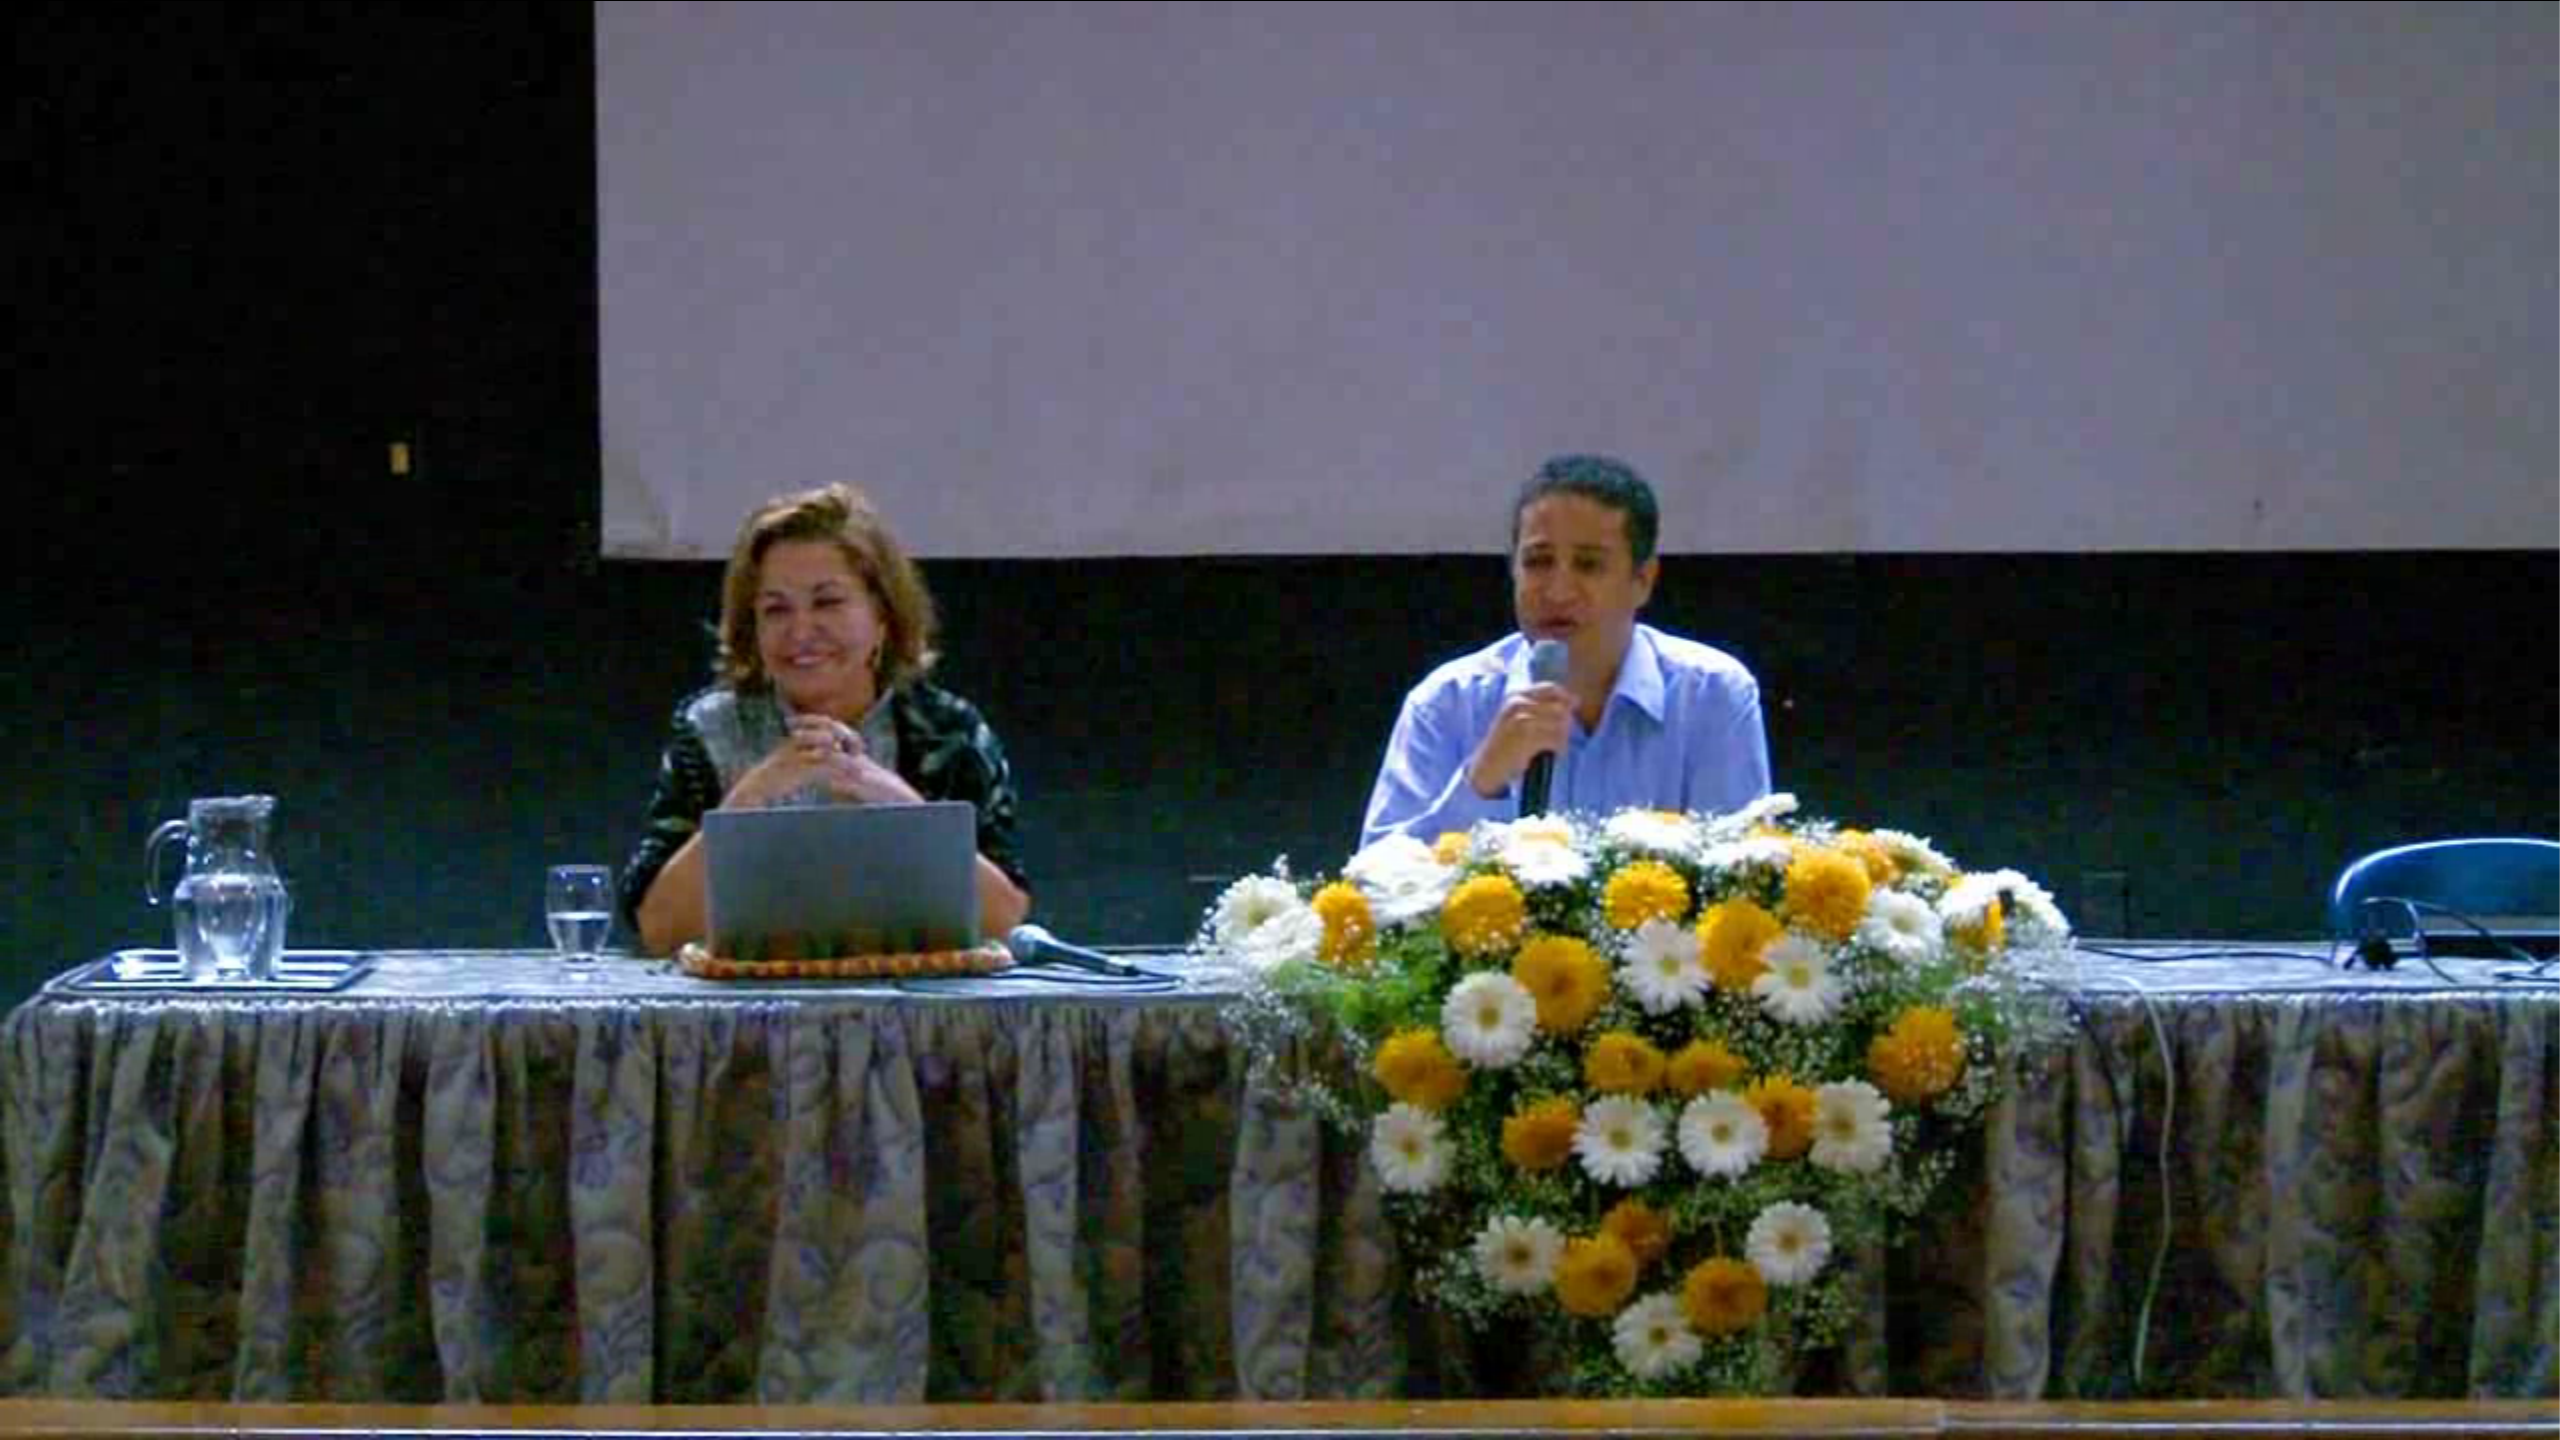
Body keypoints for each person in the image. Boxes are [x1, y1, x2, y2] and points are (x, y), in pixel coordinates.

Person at [620, 482, 1031, 954]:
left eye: (827, 602)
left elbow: (1004, 924)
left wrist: (896, 804)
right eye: (776, 609)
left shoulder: (949, 733)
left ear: (883, 616)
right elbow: (659, 930)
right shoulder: (710, 729)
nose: (800, 632)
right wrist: (750, 799)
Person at [1359, 453, 1771, 847]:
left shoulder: (1713, 695)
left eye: (1588, 565)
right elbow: (1373, 891)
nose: (1557, 591)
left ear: (1643, 579)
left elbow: (1745, 885)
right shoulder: (1446, 703)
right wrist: (1479, 784)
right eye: (1538, 562)